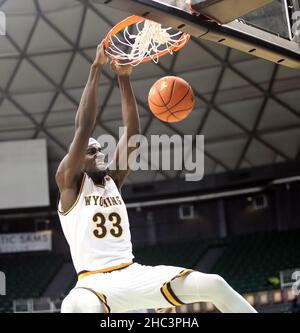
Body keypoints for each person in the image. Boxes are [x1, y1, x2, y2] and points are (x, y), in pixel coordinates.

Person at [56, 42, 257, 313]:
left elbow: (133, 132)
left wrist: (124, 78)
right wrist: (96, 67)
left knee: (215, 284)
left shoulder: (112, 180)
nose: (100, 152)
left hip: (131, 273)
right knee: (80, 307)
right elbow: (84, 126)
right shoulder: (69, 183)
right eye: (92, 151)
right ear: (77, 158)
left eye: (101, 148)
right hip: (92, 282)